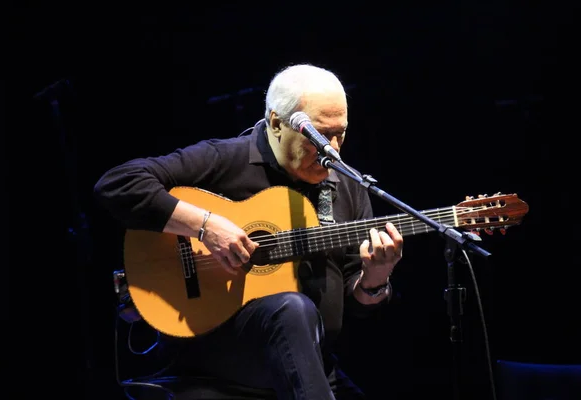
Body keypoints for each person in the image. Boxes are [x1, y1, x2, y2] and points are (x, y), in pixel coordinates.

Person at [94, 63, 405, 399]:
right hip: (212, 348)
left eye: (340, 133)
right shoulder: (227, 158)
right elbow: (118, 184)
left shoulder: (348, 185)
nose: (332, 147)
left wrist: (375, 279)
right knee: (292, 307)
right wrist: (204, 226)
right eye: (317, 135)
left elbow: (354, 301)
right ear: (275, 123)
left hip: (307, 358)